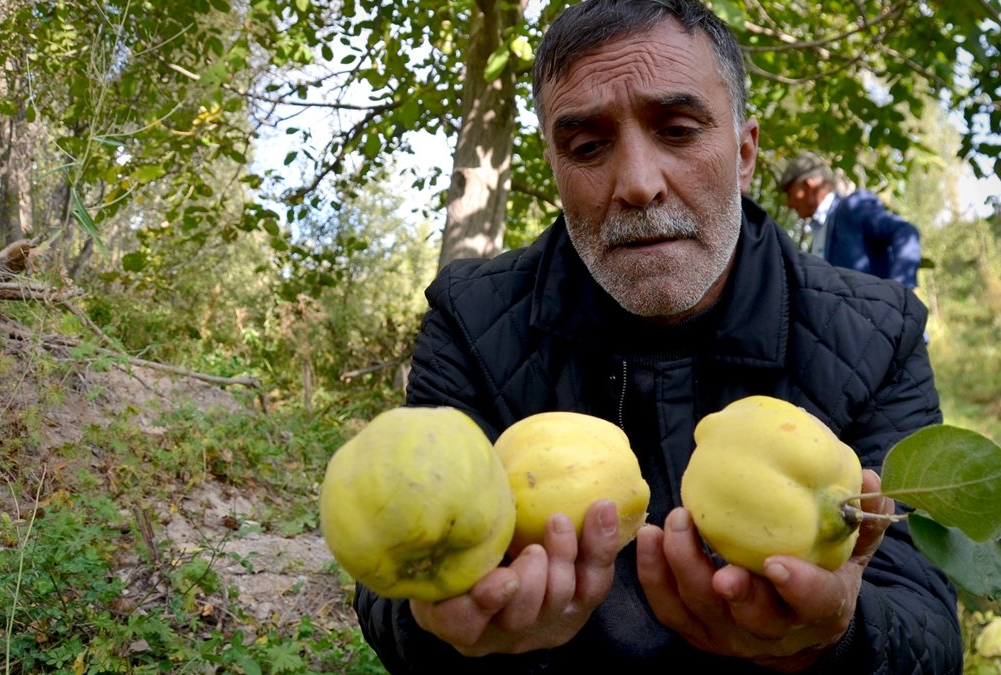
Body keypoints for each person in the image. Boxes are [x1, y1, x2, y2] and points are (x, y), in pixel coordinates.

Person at [355, 0, 962, 672]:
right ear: (556, 171)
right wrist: (451, 632)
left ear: (745, 153)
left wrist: (836, 636)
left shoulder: (878, 333)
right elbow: (389, 592)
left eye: (676, 130)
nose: (638, 185)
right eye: (587, 147)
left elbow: (926, 624)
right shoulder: (472, 319)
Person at [778, 152, 923, 289]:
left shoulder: (852, 208)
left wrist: (899, 295)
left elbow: (905, 232)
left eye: (790, 194)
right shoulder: (818, 233)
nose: (788, 204)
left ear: (808, 186)